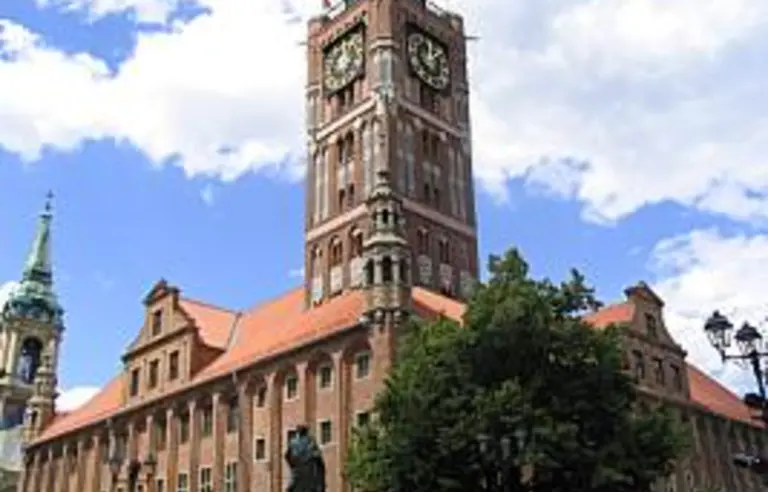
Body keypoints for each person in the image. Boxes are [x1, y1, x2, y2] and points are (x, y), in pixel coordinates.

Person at [285, 425, 326, 492]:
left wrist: (293, 466)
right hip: (308, 471)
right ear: (306, 432)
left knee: (294, 483)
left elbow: (287, 456)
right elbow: (317, 456)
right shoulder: (310, 441)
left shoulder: (293, 442)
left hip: (298, 471)